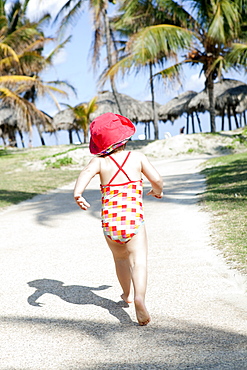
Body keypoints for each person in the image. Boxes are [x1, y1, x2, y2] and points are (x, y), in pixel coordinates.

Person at [74, 112, 163, 326]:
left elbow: (85, 173)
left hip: (110, 223)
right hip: (133, 220)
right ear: (124, 137)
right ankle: (140, 297)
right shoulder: (137, 157)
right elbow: (157, 179)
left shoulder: (99, 162)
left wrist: (78, 193)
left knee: (120, 259)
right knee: (138, 260)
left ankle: (127, 295)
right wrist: (156, 190)